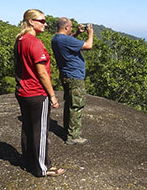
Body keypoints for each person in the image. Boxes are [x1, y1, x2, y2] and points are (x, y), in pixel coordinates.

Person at [14, 9, 65, 177]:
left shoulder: (20, 39)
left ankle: (28, 161)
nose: (45, 24)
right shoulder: (35, 43)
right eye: (41, 21)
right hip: (36, 93)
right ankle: (42, 168)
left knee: (28, 128)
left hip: (22, 91)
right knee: (40, 131)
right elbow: (42, 73)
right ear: (30, 22)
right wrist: (52, 96)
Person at [51, 17, 93, 145]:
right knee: (76, 105)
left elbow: (69, 41)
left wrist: (77, 33)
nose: (71, 29)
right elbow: (88, 46)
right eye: (70, 27)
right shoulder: (65, 39)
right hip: (74, 77)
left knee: (70, 103)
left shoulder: (56, 39)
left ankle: (68, 131)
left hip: (66, 75)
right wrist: (90, 33)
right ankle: (73, 136)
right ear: (66, 27)